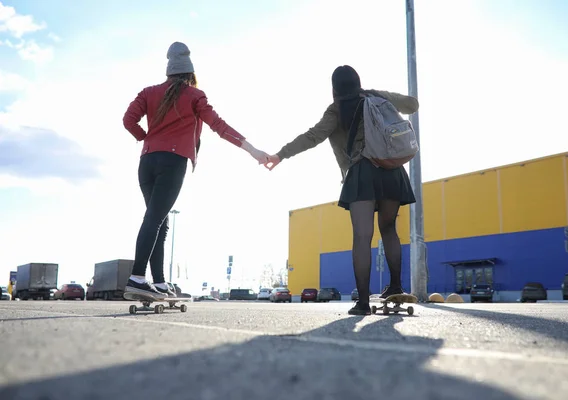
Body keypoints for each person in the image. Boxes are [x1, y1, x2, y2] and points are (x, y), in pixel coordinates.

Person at [265, 65, 419, 315]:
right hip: (392, 170)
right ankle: (395, 286)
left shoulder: (336, 109)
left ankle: (363, 303)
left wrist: (281, 155)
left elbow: (313, 136)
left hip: (362, 173)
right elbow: (412, 105)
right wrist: (377, 94)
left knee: (362, 236)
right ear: (358, 82)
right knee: (389, 229)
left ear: (334, 88)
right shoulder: (375, 97)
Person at [122, 42, 269, 299]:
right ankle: (136, 277)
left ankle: (158, 283)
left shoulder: (148, 92)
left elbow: (128, 120)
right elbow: (219, 126)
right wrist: (253, 150)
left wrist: (148, 138)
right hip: (172, 161)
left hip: (147, 162)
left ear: (169, 71)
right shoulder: (194, 96)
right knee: (155, 219)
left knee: (159, 220)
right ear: (191, 74)